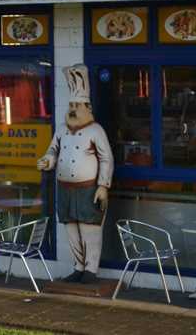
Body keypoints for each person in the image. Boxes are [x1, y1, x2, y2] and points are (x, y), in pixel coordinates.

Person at [37, 65, 114, 284]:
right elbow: (53, 150)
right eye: (71, 104)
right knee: (71, 230)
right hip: (65, 189)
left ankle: (91, 269)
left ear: (87, 107)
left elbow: (107, 158)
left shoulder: (96, 130)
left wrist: (103, 186)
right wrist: (47, 160)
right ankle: (78, 266)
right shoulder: (61, 129)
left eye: (77, 105)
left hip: (89, 189)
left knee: (90, 229)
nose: (72, 109)